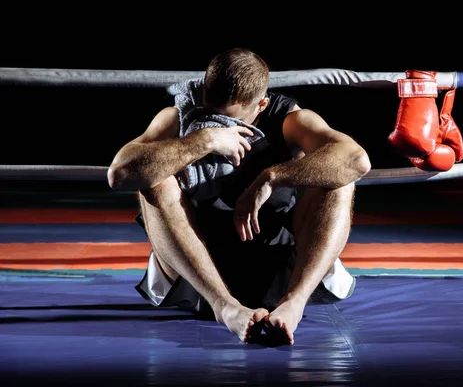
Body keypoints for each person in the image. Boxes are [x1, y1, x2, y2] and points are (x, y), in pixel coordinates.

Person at [107, 47, 371, 345]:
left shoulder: (290, 119)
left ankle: (294, 304)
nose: (217, 122)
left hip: (280, 266)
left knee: (340, 178)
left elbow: (357, 161)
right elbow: (120, 174)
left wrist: (270, 178)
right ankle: (226, 307)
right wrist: (204, 139)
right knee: (153, 180)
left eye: (228, 119)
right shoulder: (178, 116)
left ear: (261, 104)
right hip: (196, 275)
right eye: (210, 112)